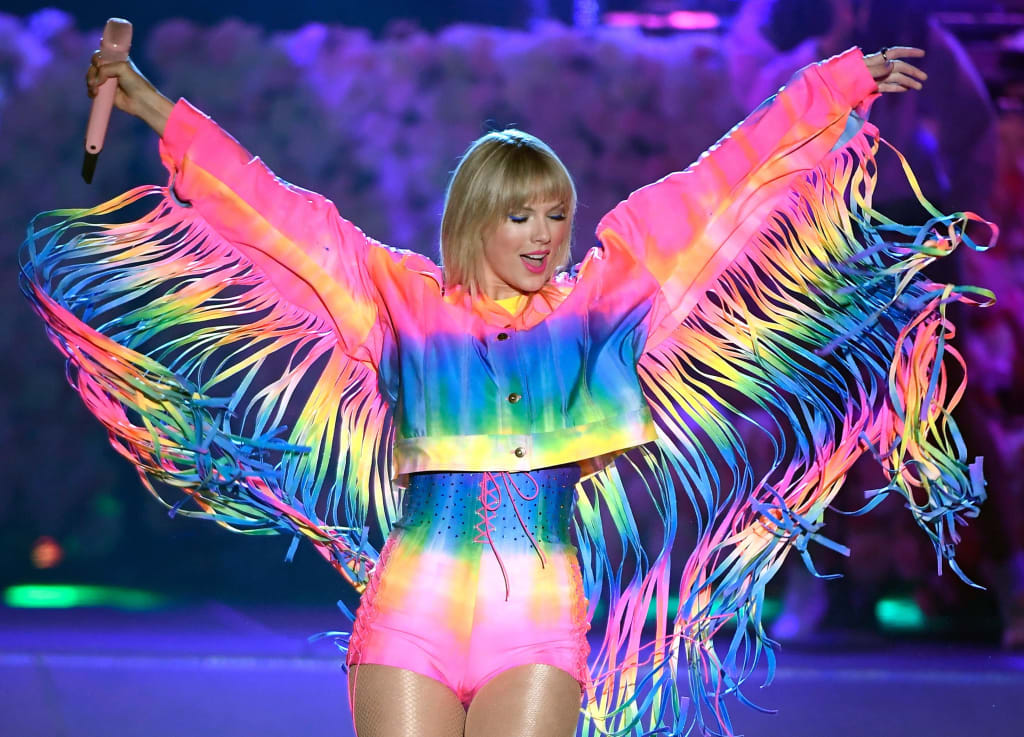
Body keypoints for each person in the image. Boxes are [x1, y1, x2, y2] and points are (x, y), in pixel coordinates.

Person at [20, 39, 990, 737]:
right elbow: (274, 212)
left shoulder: (603, 300)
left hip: (538, 626)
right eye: (521, 215)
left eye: (556, 215)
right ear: (475, 219)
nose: (543, 234)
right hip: (409, 616)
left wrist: (834, 86)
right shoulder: (399, 299)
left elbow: (720, 186)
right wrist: (155, 108)